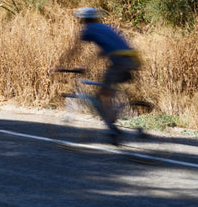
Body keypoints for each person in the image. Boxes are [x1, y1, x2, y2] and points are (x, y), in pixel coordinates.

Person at [56, 7, 141, 144]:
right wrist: (87, 65)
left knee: (101, 96)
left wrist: (60, 66)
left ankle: (114, 130)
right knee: (108, 94)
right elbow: (105, 49)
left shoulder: (88, 29)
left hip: (120, 62)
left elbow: (74, 50)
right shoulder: (104, 27)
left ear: (84, 19)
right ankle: (113, 125)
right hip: (132, 60)